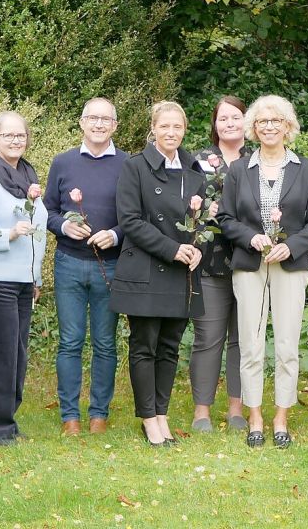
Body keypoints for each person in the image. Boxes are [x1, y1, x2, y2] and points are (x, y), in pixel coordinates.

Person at [218, 95, 308, 449]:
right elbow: (225, 218)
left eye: (275, 121)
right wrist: (251, 238)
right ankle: (255, 416)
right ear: (253, 128)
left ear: (287, 126)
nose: (268, 127)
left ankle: (281, 416)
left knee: (287, 343)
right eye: (262, 121)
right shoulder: (239, 170)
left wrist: (291, 245)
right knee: (250, 343)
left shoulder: (305, 169)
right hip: (250, 265)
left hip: (289, 265)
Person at [110, 101, 206, 447]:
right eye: (164, 126)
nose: (171, 132)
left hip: (182, 272)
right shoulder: (134, 166)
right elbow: (130, 220)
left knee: (169, 348)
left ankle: (162, 415)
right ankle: (148, 419)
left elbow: (200, 221)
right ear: (153, 128)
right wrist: (172, 249)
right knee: (144, 346)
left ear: (184, 130)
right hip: (146, 268)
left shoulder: (194, 170)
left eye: (177, 127)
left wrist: (196, 246)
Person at [44, 98, 127, 436]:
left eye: (106, 119)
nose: (99, 124)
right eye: (93, 118)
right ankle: (70, 416)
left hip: (111, 265)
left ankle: (98, 414)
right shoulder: (63, 162)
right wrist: (64, 226)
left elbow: (136, 216)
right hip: (69, 263)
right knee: (70, 341)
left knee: (105, 342)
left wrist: (116, 234)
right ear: (81, 122)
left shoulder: (128, 164)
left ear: (115, 126)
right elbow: (47, 211)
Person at [0, 111, 47, 445]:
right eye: (8, 135)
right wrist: (9, 234)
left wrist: (36, 277)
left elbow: (38, 229)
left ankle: (6, 421)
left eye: (20, 135)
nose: (16, 141)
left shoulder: (28, 175)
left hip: (22, 283)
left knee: (16, 356)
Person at [189, 95, 251, 432]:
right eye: (223, 118)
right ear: (215, 124)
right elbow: (184, 206)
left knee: (242, 340)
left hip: (249, 260)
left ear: (246, 121)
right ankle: (202, 411)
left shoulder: (258, 159)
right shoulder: (198, 161)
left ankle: (236, 409)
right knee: (208, 338)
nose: (229, 123)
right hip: (209, 260)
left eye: (235, 117)